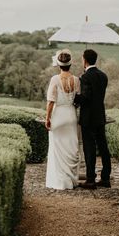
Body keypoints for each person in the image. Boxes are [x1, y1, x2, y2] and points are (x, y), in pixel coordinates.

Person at [74, 48, 112, 189]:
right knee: (103, 147)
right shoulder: (103, 76)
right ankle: (105, 178)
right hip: (100, 116)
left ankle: (90, 179)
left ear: (84, 60)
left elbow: (85, 97)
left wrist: (75, 98)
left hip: (88, 118)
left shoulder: (85, 77)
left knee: (89, 148)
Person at [44, 49, 80, 190]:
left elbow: (51, 101)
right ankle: (71, 181)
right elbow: (77, 99)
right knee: (71, 147)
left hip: (58, 115)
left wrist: (48, 118)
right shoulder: (76, 80)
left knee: (57, 149)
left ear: (59, 65)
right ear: (70, 64)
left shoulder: (54, 79)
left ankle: (59, 181)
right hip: (71, 115)